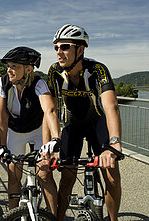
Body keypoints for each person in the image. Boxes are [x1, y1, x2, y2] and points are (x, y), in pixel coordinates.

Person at [47, 24, 122, 221]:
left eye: (64, 47)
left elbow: (111, 106)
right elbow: (50, 110)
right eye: (56, 47)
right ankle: (60, 218)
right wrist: (47, 146)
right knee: (67, 177)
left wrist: (114, 143)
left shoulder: (97, 70)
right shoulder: (54, 72)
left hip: (97, 124)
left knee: (112, 175)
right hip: (73, 125)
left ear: (80, 50)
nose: (58, 52)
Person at [0, 46, 61, 214]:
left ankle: (53, 216)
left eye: (14, 66)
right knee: (14, 176)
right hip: (16, 131)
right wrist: (2, 146)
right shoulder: (3, 83)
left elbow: (50, 110)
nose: (9, 70)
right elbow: (2, 116)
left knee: (44, 173)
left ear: (29, 69)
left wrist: (54, 139)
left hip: (38, 130)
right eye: (8, 66)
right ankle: (13, 215)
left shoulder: (39, 84)